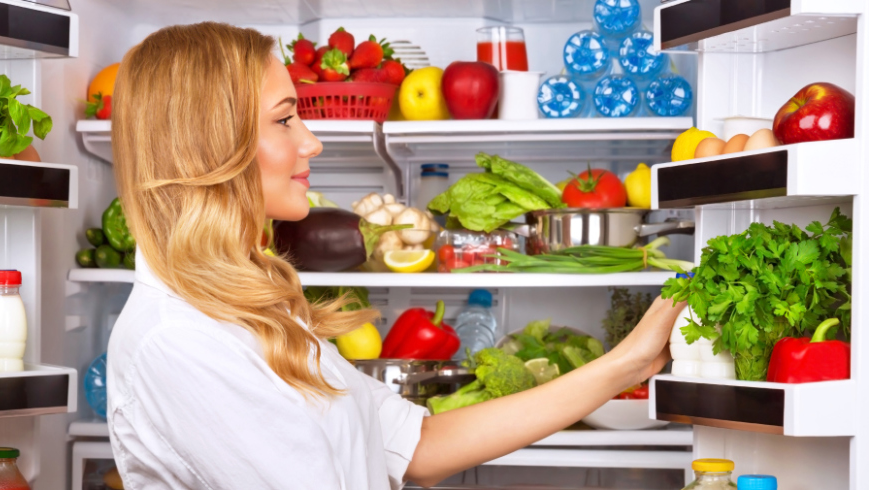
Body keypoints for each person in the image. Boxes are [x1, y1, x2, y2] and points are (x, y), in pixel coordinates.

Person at [106, 22, 686, 490]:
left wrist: (627, 364)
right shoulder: (180, 340)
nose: (312, 141)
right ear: (212, 143)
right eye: (285, 119)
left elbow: (418, 447)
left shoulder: (250, 307)